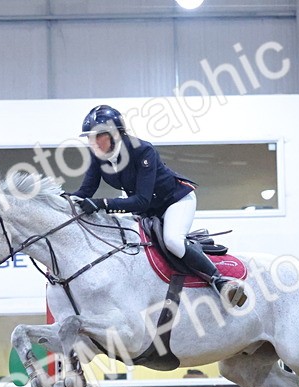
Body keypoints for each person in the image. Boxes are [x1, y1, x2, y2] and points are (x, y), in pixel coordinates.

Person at [70, 105, 246, 307]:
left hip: (175, 201)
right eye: (89, 137)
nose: (92, 142)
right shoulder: (98, 157)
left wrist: (102, 204)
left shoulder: (143, 150)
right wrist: (61, 201)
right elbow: (85, 191)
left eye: (96, 136)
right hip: (147, 211)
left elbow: (141, 199)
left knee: (172, 241)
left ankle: (220, 282)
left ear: (114, 133)